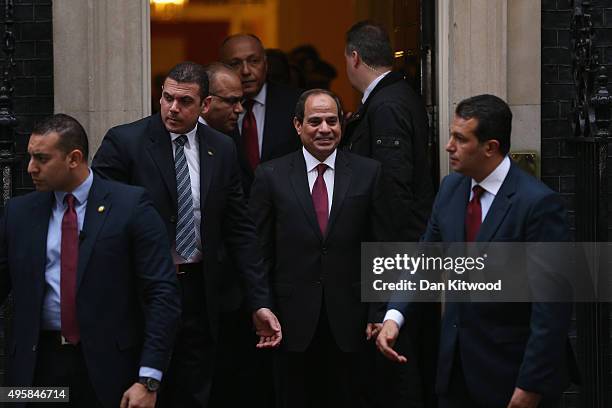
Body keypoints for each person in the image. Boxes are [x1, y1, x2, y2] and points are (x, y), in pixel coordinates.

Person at [91, 61, 281, 408]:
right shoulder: (125, 142)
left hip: (199, 292)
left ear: (205, 105)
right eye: (167, 98)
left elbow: (240, 230)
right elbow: (99, 223)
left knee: (195, 392)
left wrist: (260, 300)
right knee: (140, 390)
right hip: (142, 290)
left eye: (185, 102)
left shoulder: (221, 148)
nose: (173, 109)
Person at [377, 94, 578, 407]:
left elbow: (551, 308)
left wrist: (530, 385)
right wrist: (394, 315)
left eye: (460, 138)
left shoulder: (537, 204)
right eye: (451, 135)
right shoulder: (450, 189)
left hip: (510, 377)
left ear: (490, 147)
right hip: (454, 373)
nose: (448, 146)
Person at [0, 114, 181, 408]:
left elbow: (162, 294)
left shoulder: (131, 206)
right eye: (30, 157)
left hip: (109, 370)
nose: (31, 168)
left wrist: (149, 378)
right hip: (37, 370)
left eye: (42, 159)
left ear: (74, 158)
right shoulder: (19, 213)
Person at [249, 89, 387, 408]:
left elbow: (380, 245)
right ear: (297, 125)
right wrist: (261, 304)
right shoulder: (271, 175)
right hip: (289, 321)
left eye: (331, 120)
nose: (324, 128)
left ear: (343, 123)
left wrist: (378, 309)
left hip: (351, 320)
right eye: (314, 121)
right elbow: (258, 251)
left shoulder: (368, 173)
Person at [342, 20, 438, 406]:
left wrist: (382, 280)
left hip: (395, 256)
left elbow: (392, 193)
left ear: (355, 57)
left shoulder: (388, 104)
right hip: (397, 253)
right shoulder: (394, 97)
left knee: (397, 362)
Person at [220, 34, 301, 197]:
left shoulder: (297, 104)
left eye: (253, 61)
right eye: (235, 64)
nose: (246, 71)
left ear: (265, 63)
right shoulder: (214, 109)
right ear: (224, 70)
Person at [200, 62, 244, 135]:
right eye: (232, 101)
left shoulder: (227, 140)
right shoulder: (182, 136)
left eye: (240, 101)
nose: (240, 109)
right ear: (205, 102)